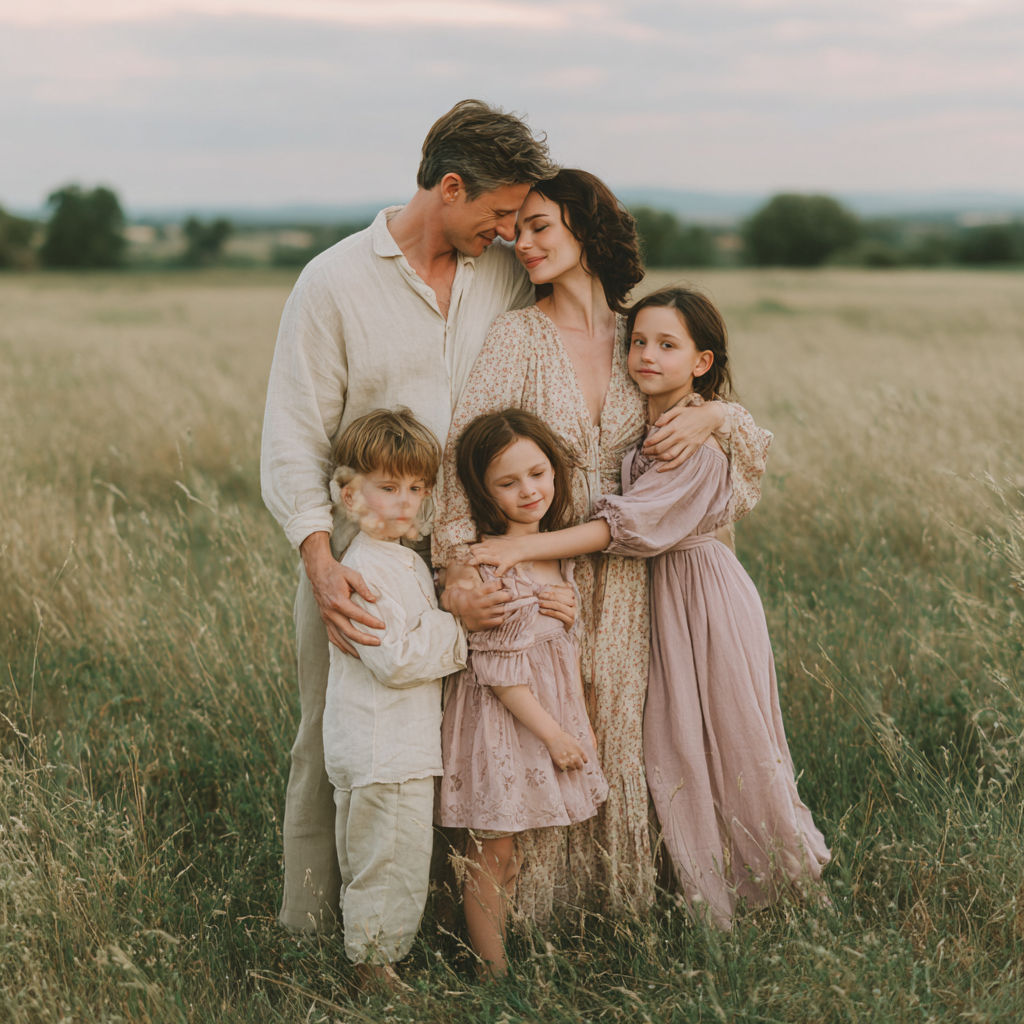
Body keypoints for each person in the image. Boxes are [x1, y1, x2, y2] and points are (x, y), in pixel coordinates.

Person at [262, 103, 716, 933]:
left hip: (493, 550)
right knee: (344, 737)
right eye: (502, 212)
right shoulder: (333, 283)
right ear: (451, 187)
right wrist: (321, 564)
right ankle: (313, 925)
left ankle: (435, 916)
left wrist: (713, 413)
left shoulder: (501, 273)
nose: (511, 232)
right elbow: (293, 440)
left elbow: (604, 324)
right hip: (368, 554)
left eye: (521, 220)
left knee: (467, 736)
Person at [431, 170, 772, 921]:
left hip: (634, 580)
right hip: (538, 571)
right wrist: (460, 570)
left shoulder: (638, 336)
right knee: (539, 725)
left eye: (540, 227)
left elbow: (730, 433)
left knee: (623, 728)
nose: (522, 244)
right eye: (517, 229)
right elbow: (463, 461)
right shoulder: (516, 337)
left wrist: (719, 417)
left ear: (586, 230)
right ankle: (531, 918)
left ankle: (617, 906)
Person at [469, 286, 831, 929]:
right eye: (638, 341)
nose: (646, 355)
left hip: (701, 595)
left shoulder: (695, 440)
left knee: (730, 737)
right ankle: (696, 879)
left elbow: (627, 525)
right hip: (658, 595)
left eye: (667, 345)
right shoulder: (659, 423)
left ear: (701, 361)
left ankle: (783, 885)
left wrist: (520, 547)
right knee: (675, 740)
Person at [437, 409, 608, 976]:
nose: (529, 491)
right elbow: (498, 670)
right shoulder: (484, 562)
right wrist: (556, 735)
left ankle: (496, 957)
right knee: (493, 851)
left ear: (555, 469)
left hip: (539, 720)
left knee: (507, 856)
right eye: (508, 483)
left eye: (537, 473)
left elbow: (557, 651)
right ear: (483, 491)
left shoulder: (557, 554)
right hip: (500, 724)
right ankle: (492, 975)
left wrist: (580, 721)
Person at [322, 409, 466, 979]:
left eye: (417, 487)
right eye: (388, 488)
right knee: (390, 867)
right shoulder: (364, 570)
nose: (406, 502)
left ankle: (373, 963)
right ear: (350, 495)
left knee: (382, 860)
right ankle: (374, 975)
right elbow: (397, 660)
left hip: (388, 748)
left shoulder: (401, 558)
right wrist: (455, 624)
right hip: (386, 751)